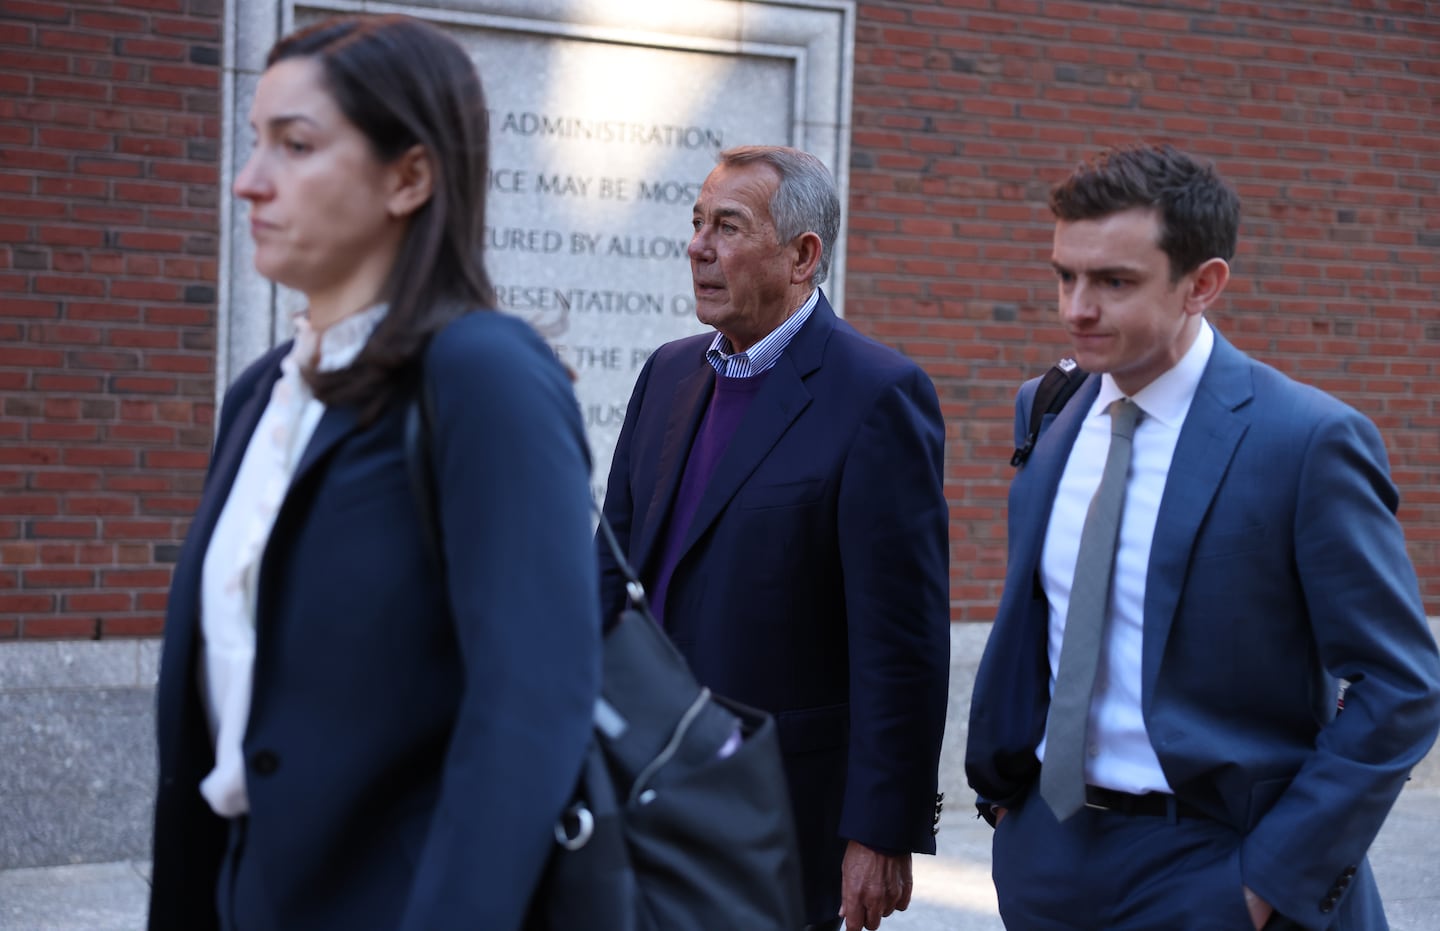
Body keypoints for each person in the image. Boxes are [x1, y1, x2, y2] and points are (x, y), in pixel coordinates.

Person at [147, 15, 600, 931]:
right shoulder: (261, 396)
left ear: (410, 176)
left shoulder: (483, 375)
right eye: (254, 142)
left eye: (296, 144)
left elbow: (529, 712)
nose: (249, 181)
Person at [966, 143, 1440, 930]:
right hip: (1047, 859)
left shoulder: (1305, 440)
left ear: (1203, 285)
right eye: (1065, 275)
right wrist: (1009, 816)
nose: (1077, 307)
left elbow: (1403, 685)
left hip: (1217, 864)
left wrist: (1268, 881)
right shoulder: (1047, 410)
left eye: (1114, 281)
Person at [596, 145, 951, 931]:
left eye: (727, 226)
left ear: (802, 255)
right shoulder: (666, 373)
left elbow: (902, 641)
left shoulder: (878, 394)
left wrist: (882, 828)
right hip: (634, 786)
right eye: (697, 223)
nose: (698, 246)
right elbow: (609, 572)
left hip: (779, 810)